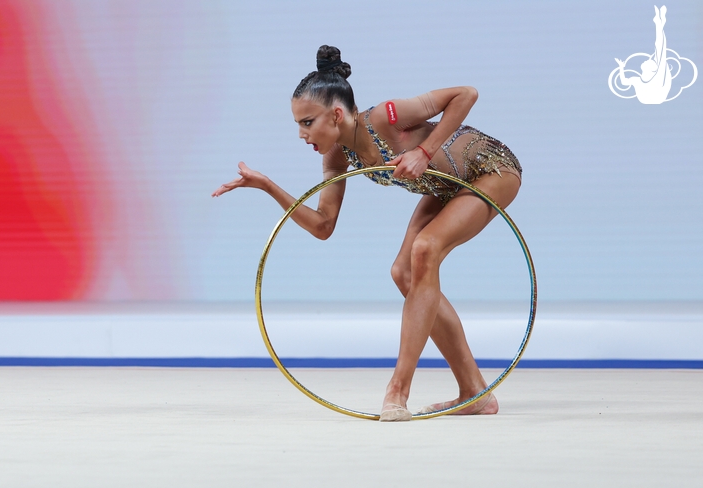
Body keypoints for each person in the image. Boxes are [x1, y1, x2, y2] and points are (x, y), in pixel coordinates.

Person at [212, 45, 522, 421]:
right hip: (446, 187)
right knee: (403, 272)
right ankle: (474, 392)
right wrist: (267, 186)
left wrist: (424, 152)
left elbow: (465, 94)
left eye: (307, 122)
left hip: (491, 170)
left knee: (425, 248)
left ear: (336, 114)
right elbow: (323, 225)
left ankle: (397, 390)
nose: (301, 134)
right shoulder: (337, 155)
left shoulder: (386, 116)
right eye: (298, 124)